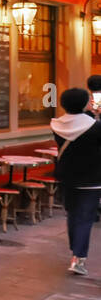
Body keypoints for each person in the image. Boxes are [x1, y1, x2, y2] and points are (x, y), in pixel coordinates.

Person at [50, 87, 101, 275]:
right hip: (92, 177)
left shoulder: (56, 125)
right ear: (84, 103)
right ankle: (77, 257)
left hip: (67, 176)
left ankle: (75, 251)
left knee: (72, 214)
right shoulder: (95, 127)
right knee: (85, 218)